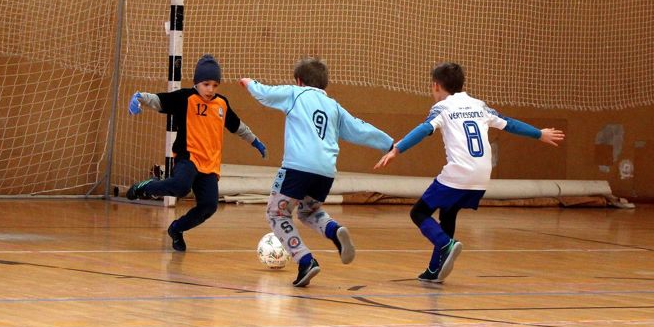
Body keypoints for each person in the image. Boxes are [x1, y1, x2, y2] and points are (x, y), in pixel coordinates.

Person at [374, 62, 564, 283]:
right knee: (448, 213)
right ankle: (435, 269)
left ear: (436, 86)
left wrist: (397, 149)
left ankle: (445, 244)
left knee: (419, 213)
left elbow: (424, 129)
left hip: (459, 173)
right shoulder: (479, 105)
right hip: (482, 175)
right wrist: (539, 133)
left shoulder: (442, 108)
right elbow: (509, 124)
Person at [240, 57, 394, 287]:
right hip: (325, 172)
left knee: (277, 213)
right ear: (324, 84)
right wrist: (388, 143)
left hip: (297, 167)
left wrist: (249, 83)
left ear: (299, 81)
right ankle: (334, 230)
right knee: (309, 211)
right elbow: (359, 129)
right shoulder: (334, 107)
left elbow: (266, 94)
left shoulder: (295, 94)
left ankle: (305, 260)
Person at [126, 54, 267, 252]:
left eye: (215, 85)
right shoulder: (186, 98)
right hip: (188, 156)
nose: (210, 89)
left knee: (209, 206)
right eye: (206, 84)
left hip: (210, 164)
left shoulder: (222, 104)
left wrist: (255, 141)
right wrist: (140, 97)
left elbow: (238, 126)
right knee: (181, 187)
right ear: (197, 82)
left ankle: (177, 229)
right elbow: (160, 100)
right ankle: (145, 187)